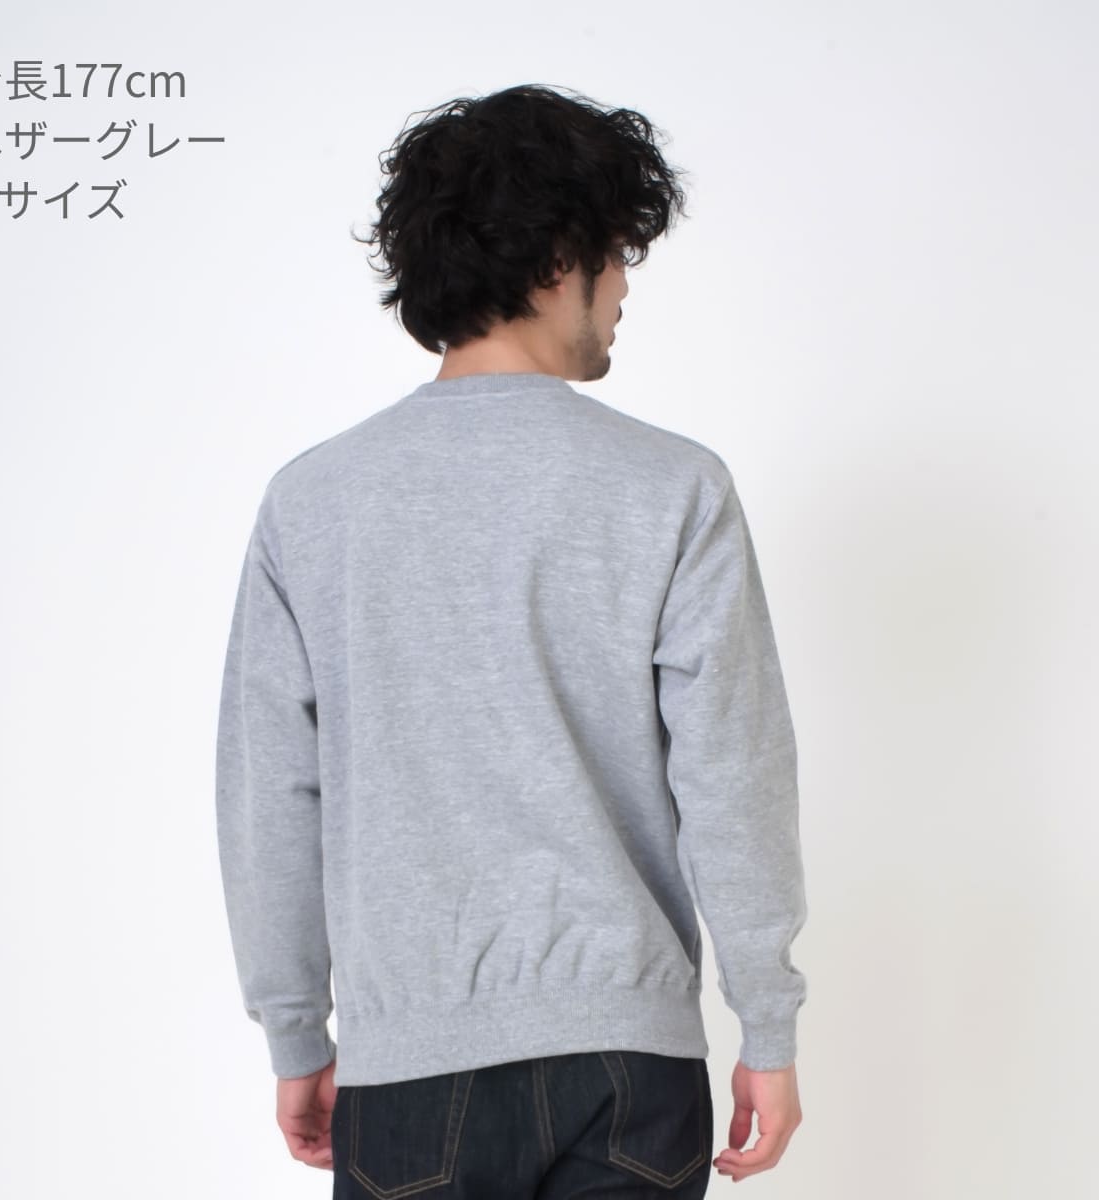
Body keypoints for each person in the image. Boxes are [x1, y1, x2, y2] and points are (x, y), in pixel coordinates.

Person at [215, 83, 808, 1197]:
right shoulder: (673, 487)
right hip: (628, 1064)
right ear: (557, 259)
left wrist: (297, 1033)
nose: (623, 288)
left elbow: (272, 796)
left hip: (409, 1071)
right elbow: (733, 776)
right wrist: (766, 1026)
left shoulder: (314, 501)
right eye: (617, 255)